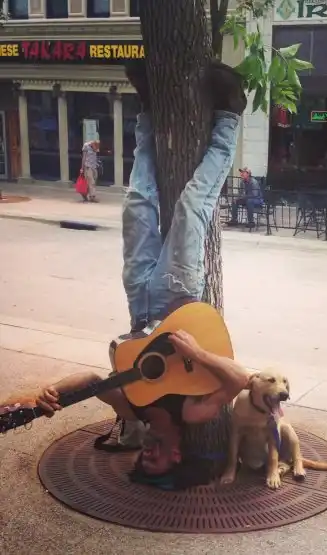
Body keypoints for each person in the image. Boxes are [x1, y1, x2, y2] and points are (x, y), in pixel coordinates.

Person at [3, 60, 250, 490]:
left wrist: (52, 391)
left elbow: (93, 382)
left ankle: (148, 111)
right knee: (192, 206)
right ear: (177, 456)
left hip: (140, 303)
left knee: (136, 202)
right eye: (158, 462)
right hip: (178, 300)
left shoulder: (133, 408)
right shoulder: (190, 413)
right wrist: (197, 353)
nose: (148, 455)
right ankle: (229, 114)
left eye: (143, 462)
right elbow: (240, 380)